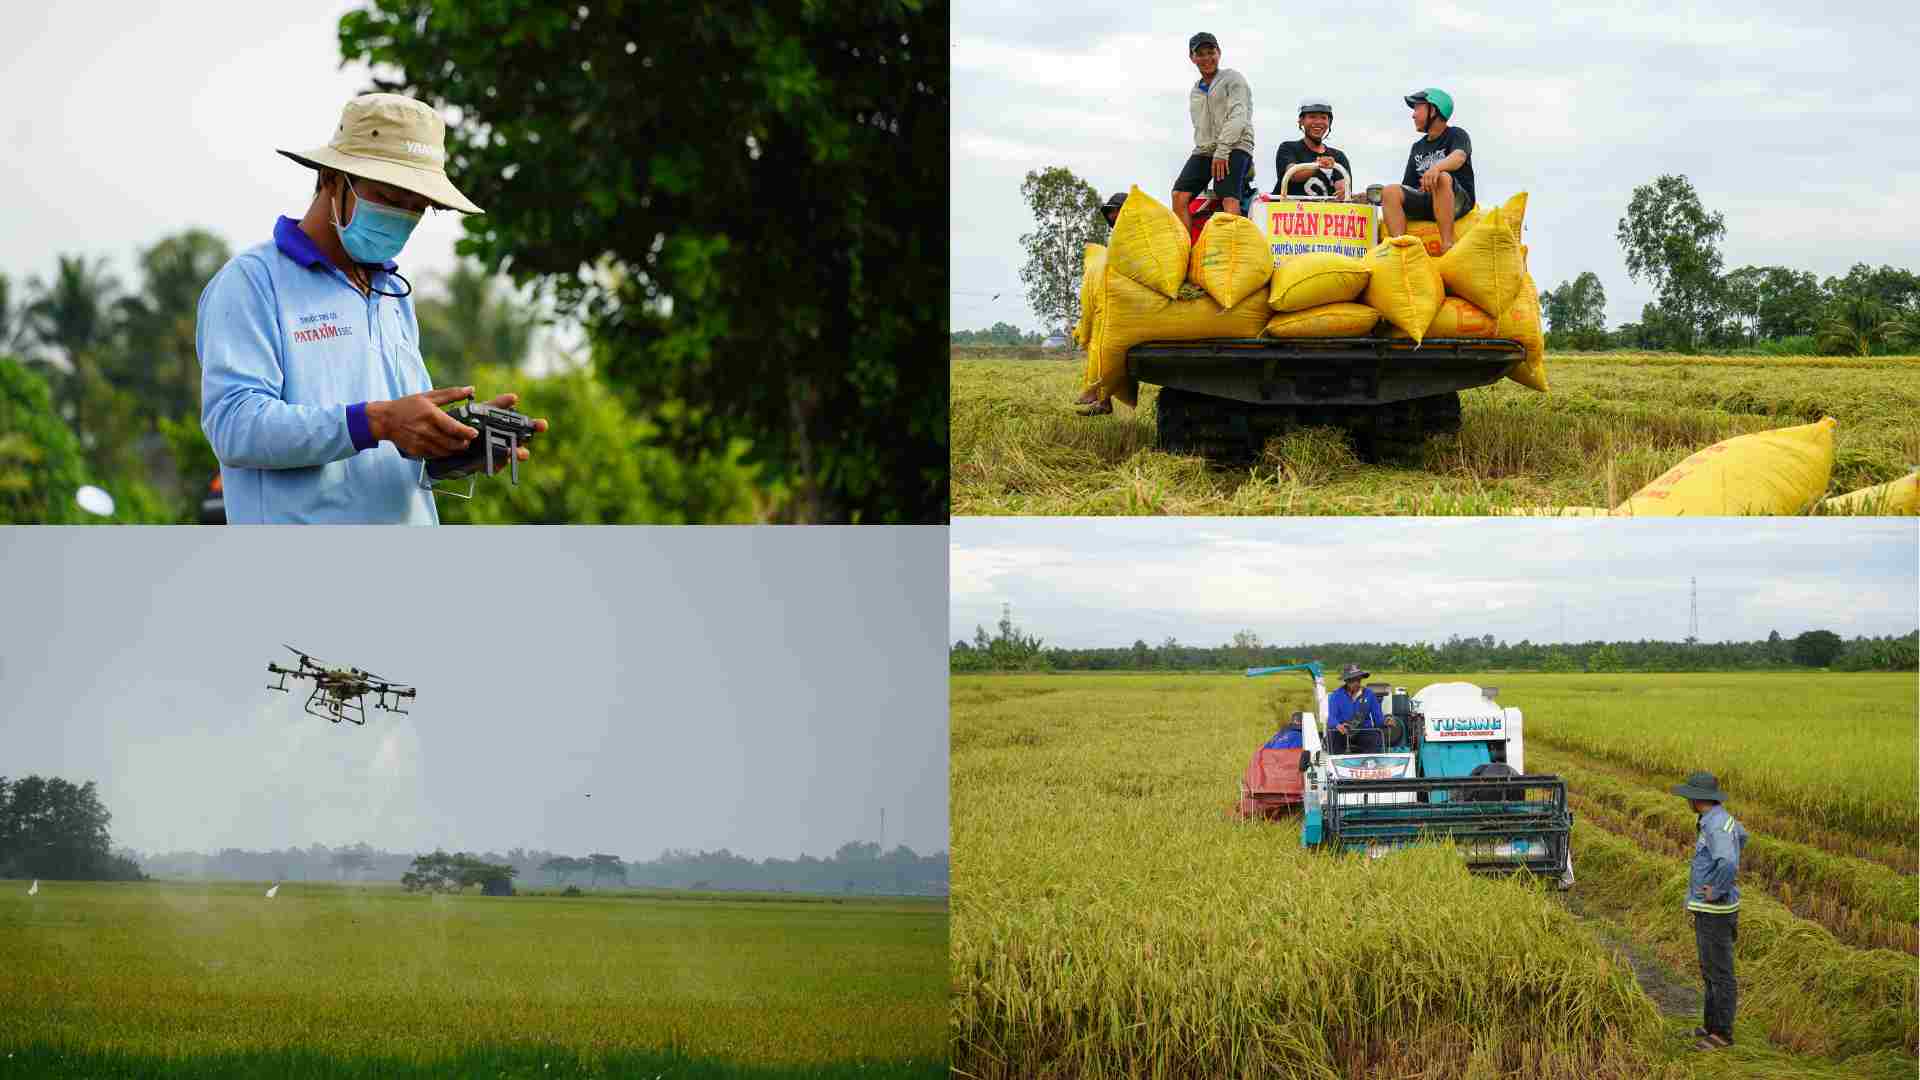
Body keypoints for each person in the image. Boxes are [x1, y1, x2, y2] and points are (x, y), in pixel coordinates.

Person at [198, 93, 550, 524]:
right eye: (388, 197)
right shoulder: (253, 283)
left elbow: (392, 454)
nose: (403, 217)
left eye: (417, 207)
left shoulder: (392, 294)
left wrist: (453, 450)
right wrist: (377, 421)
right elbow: (234, 427)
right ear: (331, 178)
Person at [1671, 771, 1747, 1052]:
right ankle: (1710, 1025)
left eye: (1688, 796)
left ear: (1696, 799)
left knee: (1721, 973)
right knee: (1709, 969)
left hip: (1716, 910)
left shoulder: (1715, 826)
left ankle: (1723, 1034)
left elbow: (1727, 862)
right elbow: (1743, 836)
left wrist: (1716, 888)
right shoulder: (1718, 820)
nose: (1686, 801)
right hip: (1708, 909)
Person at [1172, 32, 1254, 236]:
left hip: (1235, 144)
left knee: (1228, 195)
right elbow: (1199, 126)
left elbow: (1239, 116)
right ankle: (1186, 253)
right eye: (1200, 54)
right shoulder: (1196, 90)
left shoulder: (1233, 79)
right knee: (1179, 195)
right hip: (1206, 149)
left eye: (1211, 52)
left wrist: (1223, 150)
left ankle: (1232, 251)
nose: (1207, 58)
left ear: (1219, 53)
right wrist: (1206, 152)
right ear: (1192, 58)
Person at [1381, 88, 1476, 255]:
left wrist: (1436, 168)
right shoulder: (1417, 147)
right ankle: (1401, 249)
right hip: (1427, 201)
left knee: (1442, 178)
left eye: (1418, 108)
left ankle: (1447, 245)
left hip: (1457, 200)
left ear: (1433, 110)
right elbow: (1408, 187)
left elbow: (1459, 157)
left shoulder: (1456, 134)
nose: (1413, 115)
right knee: (1390, 191)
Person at [1272, 97, 1351, 201]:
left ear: (1329, 122)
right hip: (1288, 215)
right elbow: (1293, 174)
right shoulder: (1287, 148)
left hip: (1325, 215)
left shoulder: (1338, 156)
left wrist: (1343, 193)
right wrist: (1318, 165)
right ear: (1301, 121)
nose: (1318, 122)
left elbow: (1342, 188)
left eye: (1323, 117)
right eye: (1312, 117)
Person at [1324, 664, 1383, 754]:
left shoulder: (1369, 694)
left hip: (1363, 731)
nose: (1356, 683)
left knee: (1375, 737)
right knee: (1333, 736)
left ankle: (1372, 764)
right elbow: (1331, 718)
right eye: (1353, 680)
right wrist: (1338, 725)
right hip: (1342, 732)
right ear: (1346, 681)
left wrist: (1387, 719)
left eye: (1358, 680)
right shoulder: (1336, 695)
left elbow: (1378, 718)